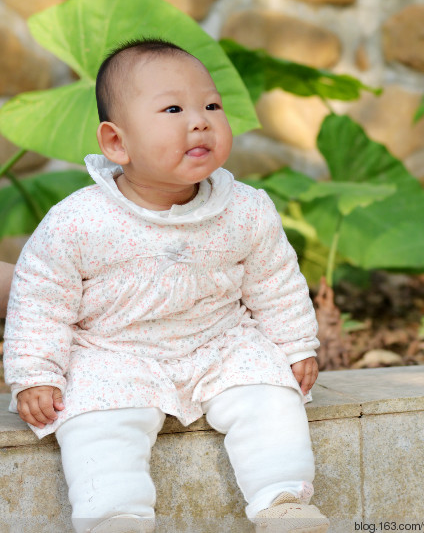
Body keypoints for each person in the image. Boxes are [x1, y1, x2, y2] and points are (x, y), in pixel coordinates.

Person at [3, 39, 329, 533]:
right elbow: (40, 299)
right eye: (173, 108)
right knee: (95, 423)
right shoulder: (78, 221)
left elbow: (276, 281)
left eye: (211, 106)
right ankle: (114, 516)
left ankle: (283, 499)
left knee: (270, 393)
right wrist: (35, 372)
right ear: (117, 143)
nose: (199, 120)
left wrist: (294, 344)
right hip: (113, 350)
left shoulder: (246, 208)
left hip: (219, 340)